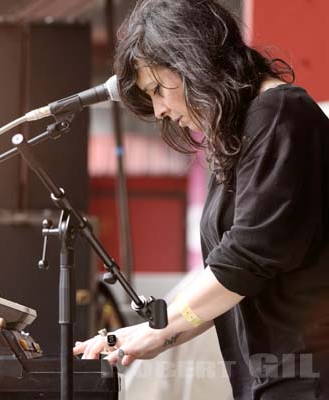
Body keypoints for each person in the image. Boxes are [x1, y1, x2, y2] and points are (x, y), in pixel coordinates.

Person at [73, 0, 329, 399]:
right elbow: (228, 282)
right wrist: (147, 334)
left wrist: (162, 326)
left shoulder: (279, 115)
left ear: (193, 61)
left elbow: (244, 263)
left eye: (158, 89)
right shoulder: (241, 133)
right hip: (272, 379)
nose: (160, 110)